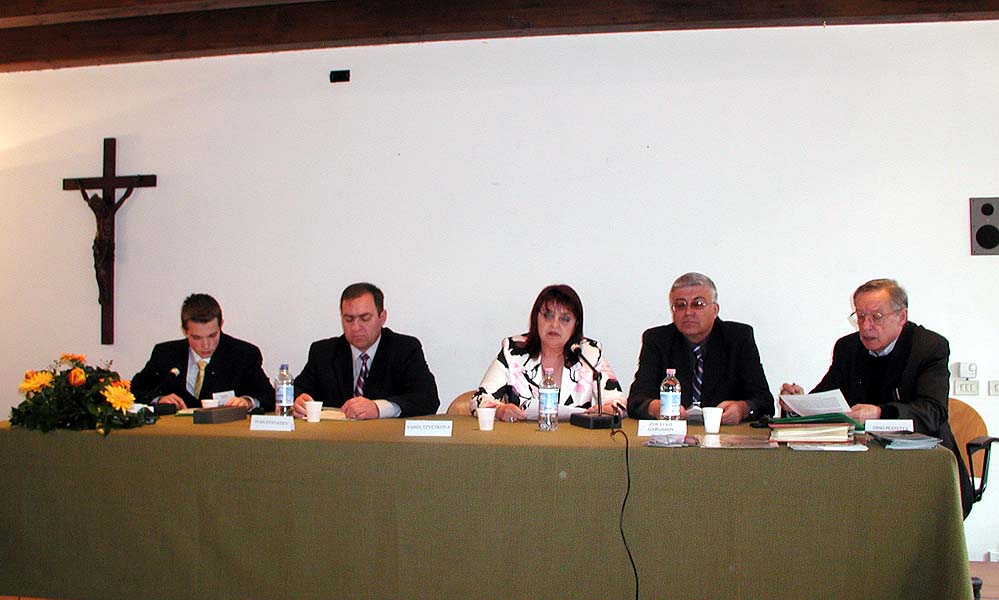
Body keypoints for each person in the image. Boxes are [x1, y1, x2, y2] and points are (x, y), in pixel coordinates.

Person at [780, 278, 974, 516]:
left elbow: (932, 412)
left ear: (902, 317)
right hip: (860, 467)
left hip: (919, 465)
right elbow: (828, 399)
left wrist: (881, 413)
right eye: (860, 316)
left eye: (876, 317)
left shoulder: (928, 347)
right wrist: (798, 403)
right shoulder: (848, 348)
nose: (866, 326)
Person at [627, 272, 774, 424]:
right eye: (681, 305)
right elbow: (636, 400)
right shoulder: (657, 340)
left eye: (698, 304)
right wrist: (656, 408)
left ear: (715, 310)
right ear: (673, 311)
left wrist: (742, 409)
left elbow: (764, 401)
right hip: (674, 434)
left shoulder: (738, 338)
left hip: (723, 433)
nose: (688, 312)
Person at [471, 284, 625, 422]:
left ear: (575, 325)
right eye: (548, 316)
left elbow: (619, 402)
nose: (554, 324)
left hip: (574, 440)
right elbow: (479, 399)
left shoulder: (589, 353)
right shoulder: (513, 350)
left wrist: (608, 409)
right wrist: (500, 410)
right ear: (536, 318)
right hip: (522, 438)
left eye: (565, 319)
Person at [292, 282, 439, 419]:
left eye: (365, 318)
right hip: (334, 436)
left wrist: (378, 408)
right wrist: (297, 401)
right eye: (348, 319)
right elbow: (295, 390)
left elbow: (428, 399)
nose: (356, 327)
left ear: (382, 317)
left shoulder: (404, 349)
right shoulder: (324, 352)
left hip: (385, 436)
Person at [131, 293, 274, 412]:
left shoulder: (243, 354)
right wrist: (158, 400)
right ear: (185, 331)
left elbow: (269, 396)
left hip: (222, 434)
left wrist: (247, 402)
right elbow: (134, 391)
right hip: (174, 433)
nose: (206, 345)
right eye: (196, 338)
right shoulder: (165, 354)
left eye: (212, 335)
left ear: (221, 325)